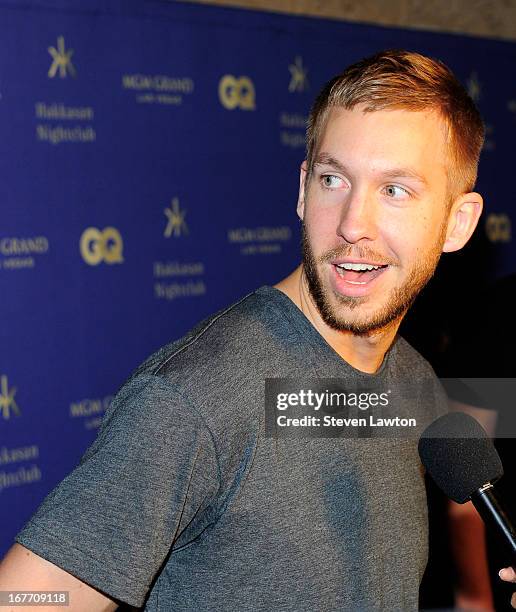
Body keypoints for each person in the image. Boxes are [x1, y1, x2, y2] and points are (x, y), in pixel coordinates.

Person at [0, 49, 513, 611]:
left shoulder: (413, 379)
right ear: (302, 190)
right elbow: (23, 599)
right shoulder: (197, 398)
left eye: (395, 190)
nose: (351, 225)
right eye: (333, 179)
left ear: (458, 223)